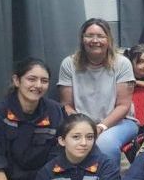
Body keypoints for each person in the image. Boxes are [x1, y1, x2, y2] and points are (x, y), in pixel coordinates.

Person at [58, 18, 138, 163]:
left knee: (104, 144)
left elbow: (123, 106)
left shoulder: (122, 63)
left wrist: (100, 127)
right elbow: (66, 105)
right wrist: (84, 127)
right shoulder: (68, 64)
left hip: (119, 122)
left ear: (109, 39)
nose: (95, 40)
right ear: (82, 39)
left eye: (101, 36)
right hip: (80, 122)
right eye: (89, 35)